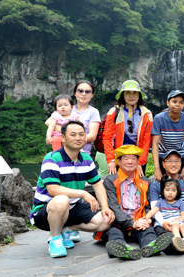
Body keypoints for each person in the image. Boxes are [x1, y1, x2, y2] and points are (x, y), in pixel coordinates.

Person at [30, 121, 114, 258]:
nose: (78, 138)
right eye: (73, 134)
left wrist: (105, 207)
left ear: (85, 137)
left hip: (72, 208)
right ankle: (55, 239)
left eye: (81, 134)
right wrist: (82, 193)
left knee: (105, 221)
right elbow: (53, 190)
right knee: (62, 199)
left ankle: (66, 229)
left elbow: (98, 184)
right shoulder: (52, 159)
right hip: (45, 211)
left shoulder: (86, 159)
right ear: (63, 138)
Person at [101, 145, 174, 260]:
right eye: (126, 158)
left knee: (149, 232)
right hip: (117, 223)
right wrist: (132, 223)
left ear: (138, 161)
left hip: (140, 221)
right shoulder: (110, 181)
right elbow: (113, 206)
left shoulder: (145, 181)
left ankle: (151, 247)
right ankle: (123, 249)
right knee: (114, 233)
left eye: (133, 158)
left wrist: (147, 219)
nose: (130, 161)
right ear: (119, 161)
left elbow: (149, 205)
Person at [103, 80, 153, 176]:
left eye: (134, 92)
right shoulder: (114, 112)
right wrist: (110, 160)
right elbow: (107, 138)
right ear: (123, 95)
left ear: (139, 95)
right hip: (119, 158)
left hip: (138, 158)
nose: (131, 95)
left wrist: (140, 162)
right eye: (128, 93)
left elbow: (147, 141)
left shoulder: (147, 114)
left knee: (138, 187)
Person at [151, 90, 184, 181]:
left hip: (180, 153)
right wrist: (157, 169)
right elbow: (154, 144)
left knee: (180, 182)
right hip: (163, 153)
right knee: (162, 182)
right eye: (174, 101)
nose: (178, 104)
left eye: (181, 102)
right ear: (168, 102)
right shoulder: (159, 118)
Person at [145, 178, 184, 250]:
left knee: (183, 226)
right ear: (163, 192)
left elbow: (183, 214)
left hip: (178, 220)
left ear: (177, 192)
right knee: (176, 224)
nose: (170, 192)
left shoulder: (180, 202)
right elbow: (153, 211)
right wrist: (146, 217)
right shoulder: (161, 202)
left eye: (173, 190)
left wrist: (182, 219)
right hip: (169, 222)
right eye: (167, 190)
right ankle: (177, 238)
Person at [71, 81, 101, 155]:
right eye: (80, 91)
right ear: (75, 93)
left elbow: (92, 136)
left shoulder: (93, 112)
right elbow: (53, 123)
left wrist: (70, 140)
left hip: (83, 154)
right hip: (64, 152)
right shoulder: (67, 109)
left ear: (92, 95)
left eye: (87, 91)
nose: (83, 94)